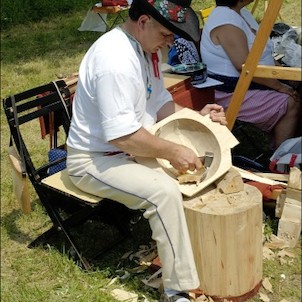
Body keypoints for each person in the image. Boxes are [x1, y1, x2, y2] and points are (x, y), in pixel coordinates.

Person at [66, 0, 227, 301]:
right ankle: (179, 289)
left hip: (130, 148)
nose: (169, 44)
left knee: (201, 164)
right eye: (166, 35)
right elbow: (122, 136)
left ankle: (207, 250)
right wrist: (171, 150)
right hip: (93, 159)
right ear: (143, 22)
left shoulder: (145, 47)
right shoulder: (115, 60)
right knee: (163, 192)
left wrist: (197, 118)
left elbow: (160, 102)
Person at [200, 0, 301, 149]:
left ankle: (289, 149)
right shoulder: (225, 22)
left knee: (298, 87)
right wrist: (280, 86)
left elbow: (264, 54)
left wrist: (288, 77)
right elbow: (245, 68)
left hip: (251, 82)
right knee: (292, 102)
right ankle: (280, 161)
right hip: (231, 92)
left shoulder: (241, 13)